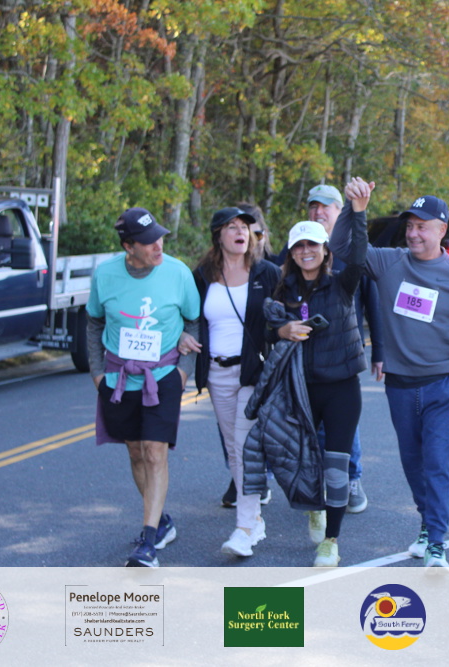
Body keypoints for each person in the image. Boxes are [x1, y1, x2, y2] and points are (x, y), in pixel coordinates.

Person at [330, 183, 449, 569]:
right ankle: (427, 525)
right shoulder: (389, 263)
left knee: (437, 465)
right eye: (410, 226)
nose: (413, 233)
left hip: (443, 387)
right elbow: (343, 248)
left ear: (442, 230)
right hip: (400, 388)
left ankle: (437, 544)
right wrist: (355, 209)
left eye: (422, 227)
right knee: (414, 466)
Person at [86, 207, 200, 567]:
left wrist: (183, 374)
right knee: (135, 452)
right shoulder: (105, 275)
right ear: (128, 247)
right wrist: (97, 374)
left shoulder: (178, 273)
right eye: (149, 242)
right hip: (119, 379)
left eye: (160, 237)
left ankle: (148, 543)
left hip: (163, 375)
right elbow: (93, 323)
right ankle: (161, 521)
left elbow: (194, 322)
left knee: (154, 451)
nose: (158, 245)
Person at [266, 194, 369, 566]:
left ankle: (331, 541)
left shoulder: (342, 283)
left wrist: (359, 213)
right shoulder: (282, 291)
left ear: (326, 251)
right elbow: (263, 330)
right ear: (291, 253)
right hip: (299, 391)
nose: (306, 251)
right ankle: (314, 508)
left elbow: (359, 255)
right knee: (306, 464)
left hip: (341, 388)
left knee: (336, 466)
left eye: (312, 245)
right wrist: (281, 330)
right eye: (299, 246)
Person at [277, 184, 383, 516]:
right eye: (313, 206)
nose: (318, 212)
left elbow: (371, 297)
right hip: (303, 369)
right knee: (311, 434)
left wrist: (379, 349)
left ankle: (351, 479)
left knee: (342, 430)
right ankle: (319, 489)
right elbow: (271, 314)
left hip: (341, 362)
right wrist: (280, 330)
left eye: (326, 206)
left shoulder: (345, 263)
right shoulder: (292, 261)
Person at [191, 207, 280, 558]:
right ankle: (254, 519)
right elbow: (189, 317)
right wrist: (184, 337)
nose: (241, 232)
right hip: (216, 373)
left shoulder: (266, 272)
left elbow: (285, 311)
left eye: (245, 226)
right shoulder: (203, 276)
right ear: (218, 236)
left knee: (244, 448)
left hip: (252, 372)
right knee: (233, 448)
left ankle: (244, 528)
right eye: (232, 226)